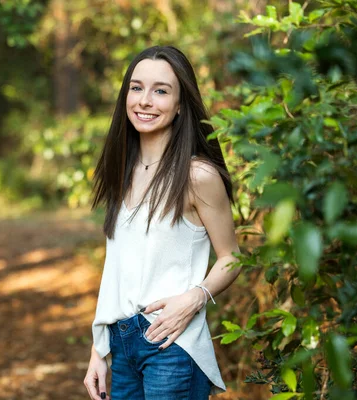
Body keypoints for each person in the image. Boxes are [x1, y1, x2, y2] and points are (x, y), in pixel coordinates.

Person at [83, 46, 241, 400]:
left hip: (172, 344)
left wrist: (194, 298)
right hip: (122, 346)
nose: (145, 101)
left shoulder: (197, 175)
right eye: (136, 88)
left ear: (181, 103)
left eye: (161, 90)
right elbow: (116, 269)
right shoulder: (122, 169)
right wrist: (99, 351)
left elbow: (232, 258)